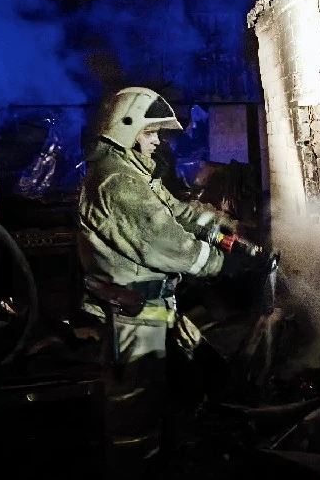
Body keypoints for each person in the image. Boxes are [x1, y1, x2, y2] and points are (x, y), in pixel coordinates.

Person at [76, 87, 249, 479]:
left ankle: (167, 452)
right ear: (128, 127)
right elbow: (166, 243)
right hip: (133, 314)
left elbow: (178, 213)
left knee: (176, 380)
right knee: (135, 405)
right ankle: (137, 467)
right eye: (152, 132)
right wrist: (222, 265)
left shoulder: (132, 174)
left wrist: (230, 236)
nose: (157, 141)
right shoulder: (116, 183)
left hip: (150, 306)